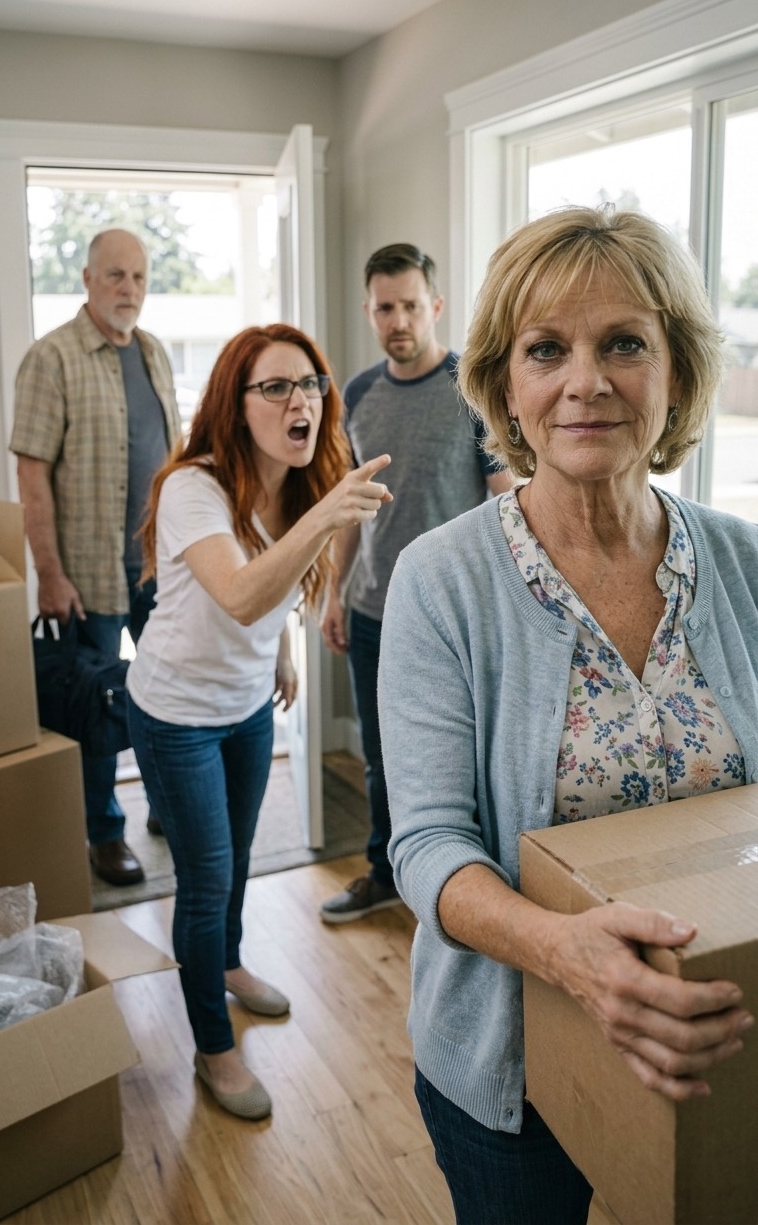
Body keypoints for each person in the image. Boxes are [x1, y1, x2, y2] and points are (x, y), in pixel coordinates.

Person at [378, 206, 758, 1225]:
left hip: (712, 1042)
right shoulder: (441, 579)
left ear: (676, 368)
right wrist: (566, 951)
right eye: (548, 348)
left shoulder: (740, 560)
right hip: (510, 1070)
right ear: (507, 381)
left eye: (624, 342)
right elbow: (423, 841)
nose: (586, 380)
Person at [126, 323, 392, 1120]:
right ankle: (214, 1049)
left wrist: (280, 648)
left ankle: (231, 965)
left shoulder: (297, 484)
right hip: (174, 714)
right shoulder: (192, 488)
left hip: (244, 706)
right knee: (205, 881)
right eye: (274, 387)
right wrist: (326, 522)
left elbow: (267, 589)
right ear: (236, 406)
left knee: (237, 857)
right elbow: (239, 589)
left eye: (308, 383)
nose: (298, 399)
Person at [320, 243, 510, 924]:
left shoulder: (472, 390)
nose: (397, 319)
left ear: (434, 306)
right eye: (383, 307)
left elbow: (506, 500)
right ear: (369, 312)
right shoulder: (359, 394)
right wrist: (335, 590)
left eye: (409, 305)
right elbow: (351, 503)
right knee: (380, 758)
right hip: (373, 610)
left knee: (469, 760)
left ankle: (471, 889)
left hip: (459, 615)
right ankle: (385, 872)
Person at [10, 228, 180, 887]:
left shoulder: (157, 354)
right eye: (115, 276)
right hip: (85, 573)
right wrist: (49, 573)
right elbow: (31, 475)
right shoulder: (50, 358)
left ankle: (166, 805)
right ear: (86, 279)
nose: (128, 291)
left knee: (166, 693)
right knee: (93, 711)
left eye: (138, 278)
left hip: (156, 567)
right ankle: (104, 832)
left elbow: (176, 460)